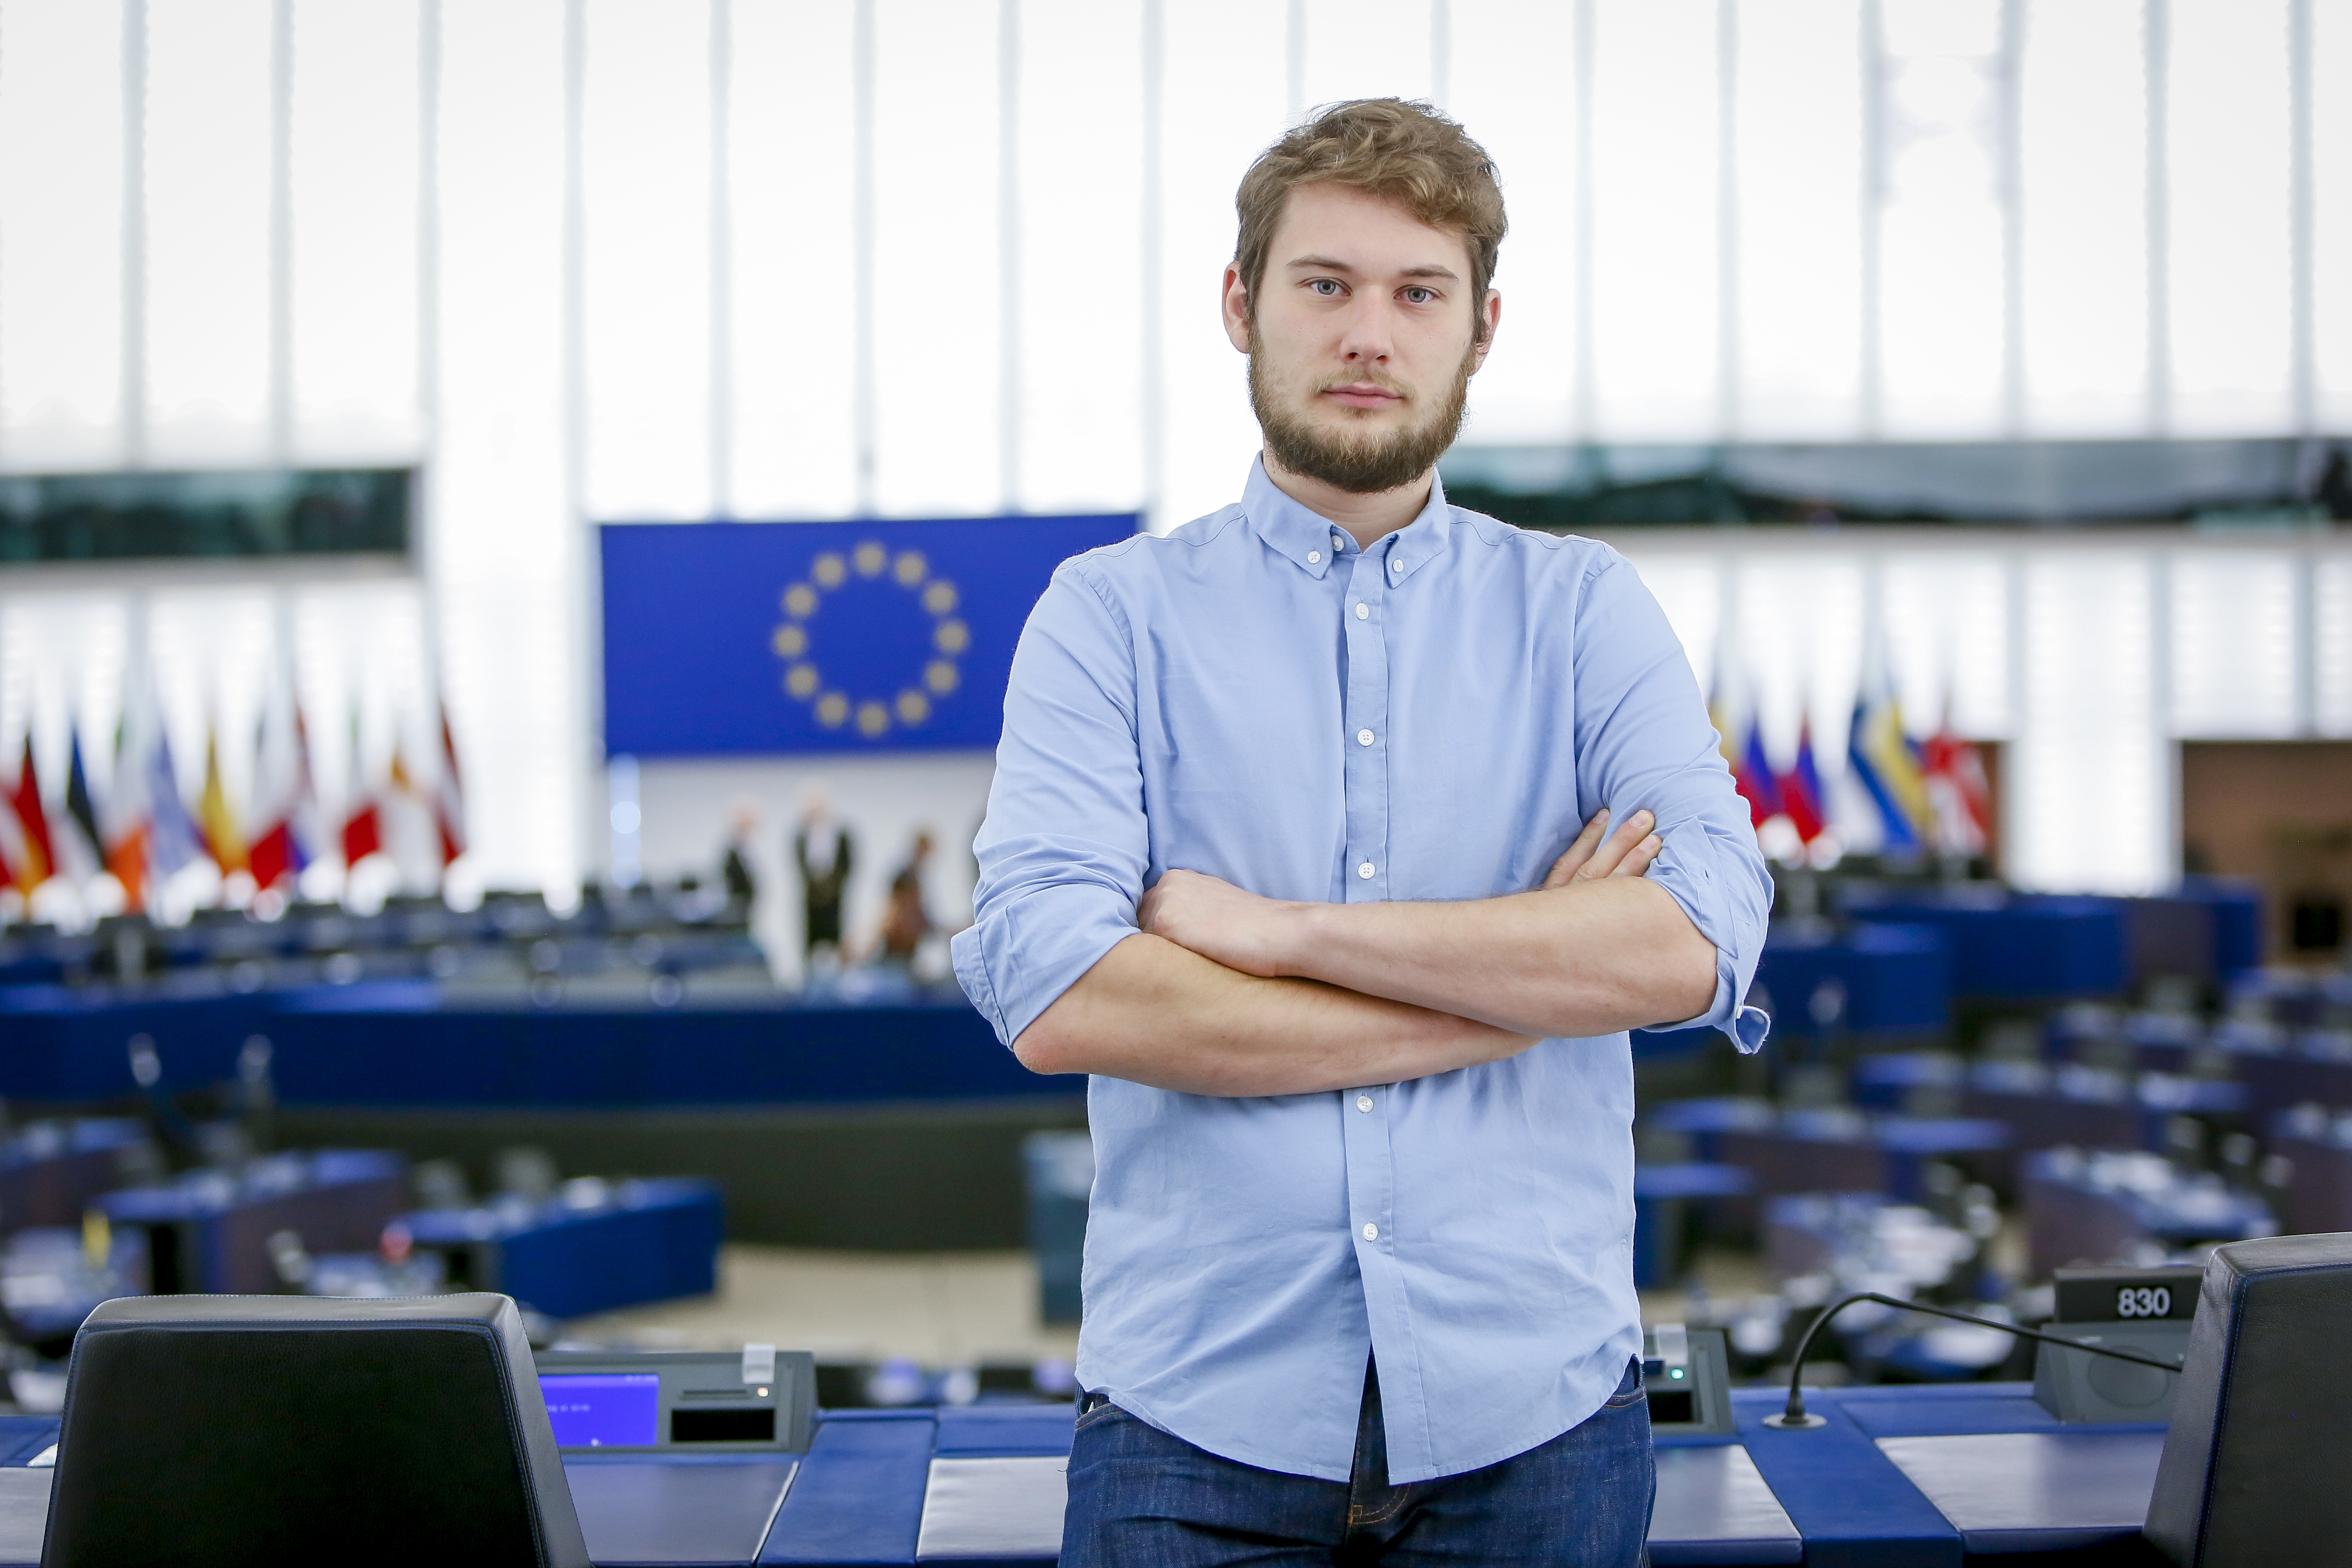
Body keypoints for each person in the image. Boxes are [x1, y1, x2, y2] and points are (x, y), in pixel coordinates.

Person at [952, 99, 1770, 1567]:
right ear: (1239, 305)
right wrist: (1515, 991)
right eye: (1322, 285)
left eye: (1415, 293)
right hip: (1188, 1425)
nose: (1366, 334)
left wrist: (1273, 939)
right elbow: (1056, 986)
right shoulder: (1106, 618)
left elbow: (1696, 935)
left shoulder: (1583, 610)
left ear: (1479, 325)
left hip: (1536, 1427)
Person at [793, 789, 853, 966]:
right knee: (809, 946)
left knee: (837, 943)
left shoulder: (841, 836)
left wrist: (830, 888)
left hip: (835, 901)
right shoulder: (801, 837)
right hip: (811, 902)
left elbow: (848, 865)